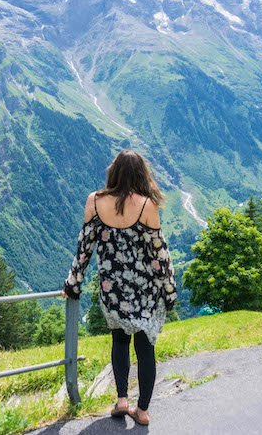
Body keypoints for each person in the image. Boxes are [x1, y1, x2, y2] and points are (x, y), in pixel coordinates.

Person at [61, 149, 177, 426]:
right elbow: (159, 256)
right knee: (145, 347)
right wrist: (170, 290)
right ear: (141, 174)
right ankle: (143, 411)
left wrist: (73, 284)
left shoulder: (95, 202)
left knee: (120, 341)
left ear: (114, 172)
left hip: (113, 290)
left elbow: (84, 250)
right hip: (144, 290)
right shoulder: (147, 206)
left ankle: (122, 399)